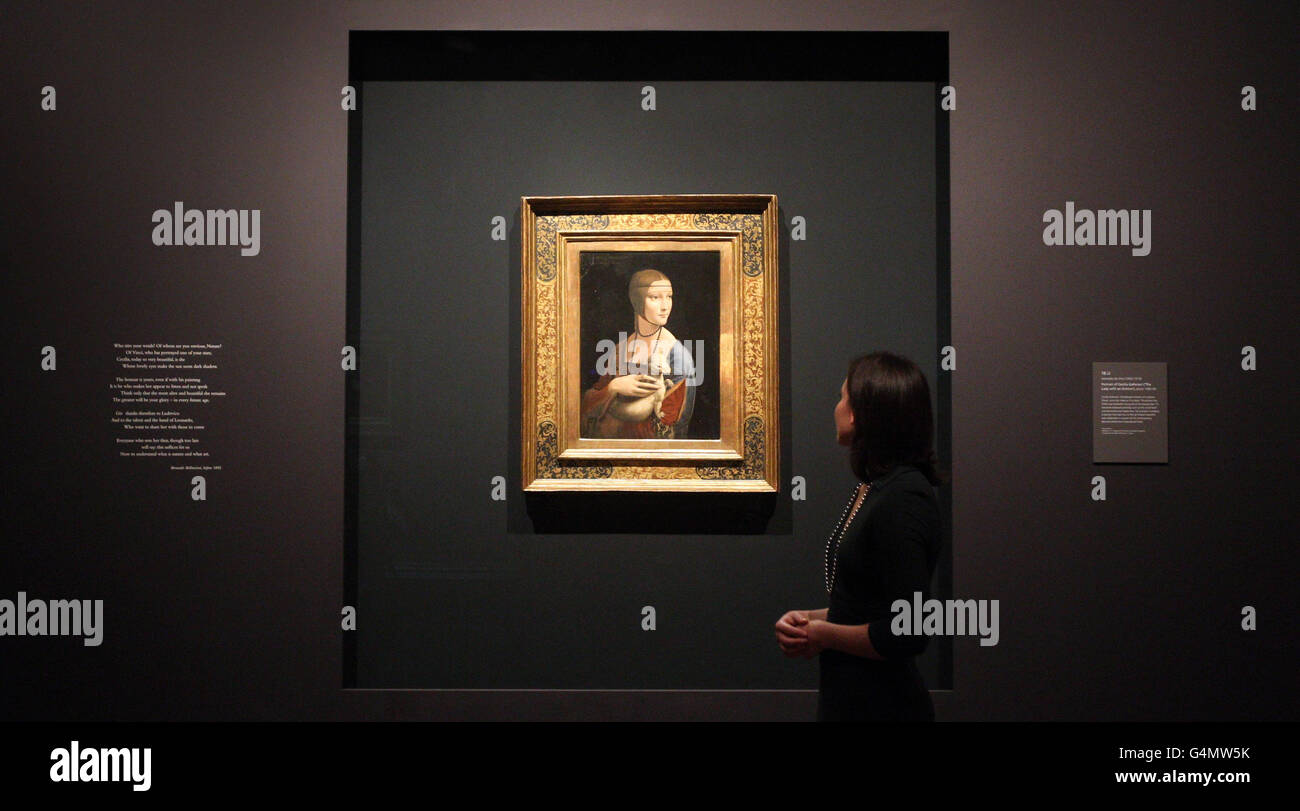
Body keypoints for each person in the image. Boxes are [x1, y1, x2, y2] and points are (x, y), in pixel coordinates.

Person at [774, 351, 945, 721]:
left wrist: (823, 634)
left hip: (885, 708)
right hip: (851, 701)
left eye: (842, 397)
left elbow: (909, 631)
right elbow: (866, 606)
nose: (835, 407)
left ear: (858, 413)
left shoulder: (904, 497)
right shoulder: (875, 488)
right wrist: (809, 619)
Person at [581, 269, 696, 439]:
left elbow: (673, 425)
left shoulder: (678, 357)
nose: (665, 306)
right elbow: (588, 407)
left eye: (669, 297)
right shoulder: (620, 349)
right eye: (655, 297)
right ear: (637, 301)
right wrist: (613, 387)